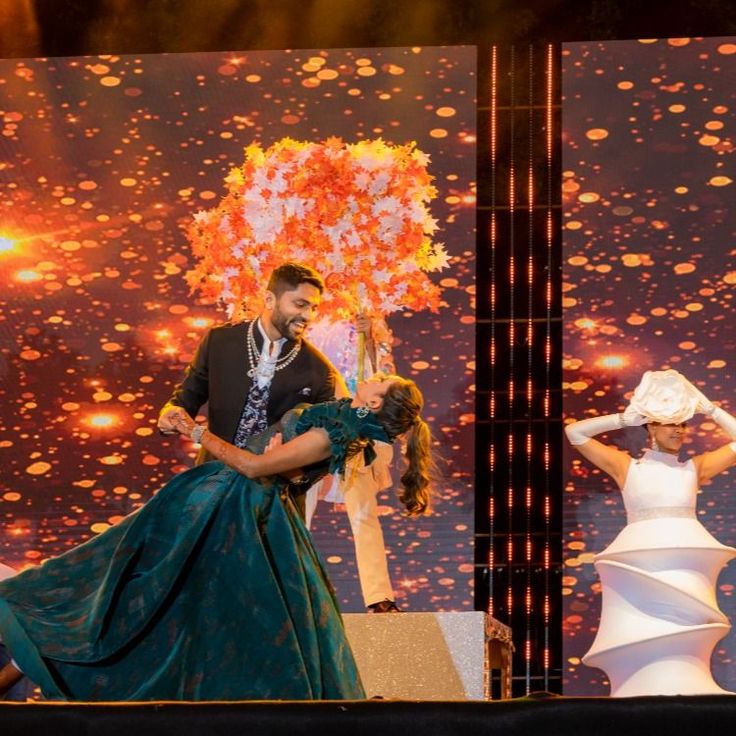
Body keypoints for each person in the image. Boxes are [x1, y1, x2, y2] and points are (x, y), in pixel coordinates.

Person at [0, 375, 431, 701]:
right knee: (146, 587)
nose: (373, 376)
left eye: (381, 380)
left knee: (148, 590)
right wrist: (285, 457)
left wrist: (194, 431)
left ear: (374, 402)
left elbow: (254, 468)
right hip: (230, 504)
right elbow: (295, 471)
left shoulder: (339, 430)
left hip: (234, 513)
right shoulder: (342, 422)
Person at [565, 371, 736, 696]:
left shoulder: (693, 469)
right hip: (640, 559)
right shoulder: (628, 467)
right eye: (669, 423)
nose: (679, 430)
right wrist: (623, 418)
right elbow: (574, 432)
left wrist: (711, 410)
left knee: (684, 634)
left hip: (685, 561)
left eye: (683, 423)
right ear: (650, 426)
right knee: (643, 631)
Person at [158, 261, 341, 471]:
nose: (308, 316)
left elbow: (323, 446)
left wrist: (289, 461)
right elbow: (186, 398)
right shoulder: (220, 341)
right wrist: (170, 413)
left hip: (273, 491)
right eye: (300, 305)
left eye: (314, 308)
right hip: (211, 477)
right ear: (270, 300)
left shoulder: (319, 370)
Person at [305, 313, 400, 612]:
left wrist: (370, 335)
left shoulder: (362, 309)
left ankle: (379, 596)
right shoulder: (303, 312)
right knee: (299, 507)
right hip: (318, 419)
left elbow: (385, 373)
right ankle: (290, 586)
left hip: (358, 424)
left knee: (363, 512)